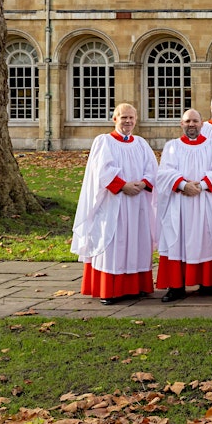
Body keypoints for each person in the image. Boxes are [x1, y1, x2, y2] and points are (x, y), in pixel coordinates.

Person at [72, 103, 158, 305]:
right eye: (123, 117)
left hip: (138, 203)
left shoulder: (141, 143)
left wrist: (143, 183)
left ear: (135, 120)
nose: (127, 121)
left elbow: (152, 168)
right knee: (113, 242)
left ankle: (135, 287)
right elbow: (101, 171)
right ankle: (110, 290)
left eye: (131, 118)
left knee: (137, 241)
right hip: (113, 202)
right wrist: (123, 186)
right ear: (115, 119)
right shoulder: (104, 142)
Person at [155, 109, 212, 302]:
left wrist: (201, 185)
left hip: (204, 202)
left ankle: (208, 284)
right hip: (179, 204)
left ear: (202, 123)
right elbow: (164, 173)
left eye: (195, 121)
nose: (191, 124)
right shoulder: (172, 146)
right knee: (176, 241)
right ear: (182, 124)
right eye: (187, 121)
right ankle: (176, 287)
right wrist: (182, 185)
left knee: (206, 240)